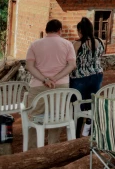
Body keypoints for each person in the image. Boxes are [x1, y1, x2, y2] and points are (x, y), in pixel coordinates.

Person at [24, 19, 77, 148]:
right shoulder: (67, 44)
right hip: (61, 86)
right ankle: (52, 148)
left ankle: (33, 151)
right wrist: (55, 78)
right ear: (60, 30)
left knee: (33, 117)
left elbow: (29, 66)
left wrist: (45, 79)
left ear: (46, 30)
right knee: (57, 117)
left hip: (38, 86)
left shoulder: (35, 44)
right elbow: (72, 65)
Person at [69, 17, 105, 136]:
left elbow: (72, 63)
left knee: (76, 106)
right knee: (91, 104)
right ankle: (90, 131)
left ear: (80, 30)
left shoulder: (78, 44)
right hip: (97, 76)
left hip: (80, 77)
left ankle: (76, 134)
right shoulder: (100, 41)